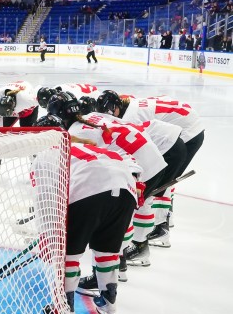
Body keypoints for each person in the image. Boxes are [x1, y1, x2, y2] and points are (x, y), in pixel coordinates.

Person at [47, 92, 175, 277]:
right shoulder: (90, 118)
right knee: (123, 212)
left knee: (118, 216)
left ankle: (120, 263)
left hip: (139, 166)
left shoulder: (75, 133)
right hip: (150, 159)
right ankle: (123, 259)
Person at [33, 114, 139, 314]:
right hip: (126, 192)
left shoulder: (45, 155)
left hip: (88, 192)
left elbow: (45, 198)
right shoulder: (88, 145)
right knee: (107, 251)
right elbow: (130, 163)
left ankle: (64, 309)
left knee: (68, 255)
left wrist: (46, 235)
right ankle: (108, 302)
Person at [95, 91, 202, 249]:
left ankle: (158, 230)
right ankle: (161, 223)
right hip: (187, 128)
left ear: (117, 107)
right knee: (160, 183)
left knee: (152, 188)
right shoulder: (131, 105)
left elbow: (140, 150)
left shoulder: (131, 117)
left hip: (188, 133)